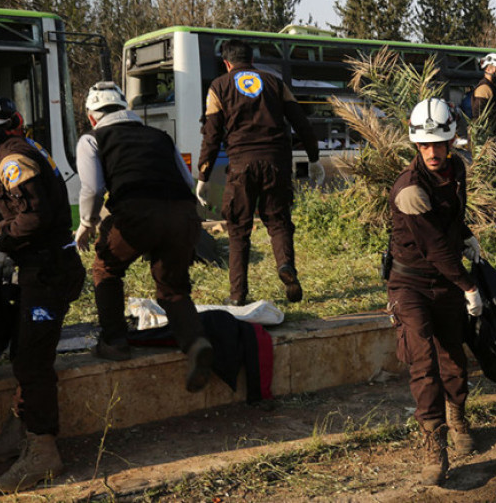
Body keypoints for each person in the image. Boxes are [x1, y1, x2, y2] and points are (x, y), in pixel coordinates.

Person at [74, 82, 213, 394]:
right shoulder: (160, 137)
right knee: (172, 286)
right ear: (127, 110)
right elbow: (185, 179)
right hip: (183, 214)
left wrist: (87, 223)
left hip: (137, 214)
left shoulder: (92, 139)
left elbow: (93, 189)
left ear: (92, 117)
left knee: (106, 268)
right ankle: (195, 343)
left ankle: (114, 341)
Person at [0, 97, 85, 493]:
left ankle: (43, 450)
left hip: (49, 271)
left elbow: (35, 215)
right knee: (25, 353)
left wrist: (0, 243)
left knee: (32, 359)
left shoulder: (12, 158)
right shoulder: (18, 148)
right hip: (42, 267)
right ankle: (23, 431)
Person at [387, 98, 483, 486]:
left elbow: (452, 219)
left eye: (437, 144)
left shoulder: (457, 168)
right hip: (410, 281)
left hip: (444, 281)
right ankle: (434, 442)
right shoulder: (409, 189)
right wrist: (470, 286)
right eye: (423, 145)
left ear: (451, 141)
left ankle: (457, 415)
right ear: (415, 145)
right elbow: (434, 248)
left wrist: (468, 235)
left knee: (453, 356)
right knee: (423, 362)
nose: (431, 152)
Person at [196, 39, 325, 305]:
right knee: (279, 222)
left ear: (226, 63)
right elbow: (301, 122)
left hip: (241, 166)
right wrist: (313, 157)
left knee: (238, 231)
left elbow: (211, 135)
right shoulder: (275, 82)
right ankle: (286, 267)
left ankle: (237, 297)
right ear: (252, 60)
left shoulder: (219, 87)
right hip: (276, 163)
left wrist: (203, 175)